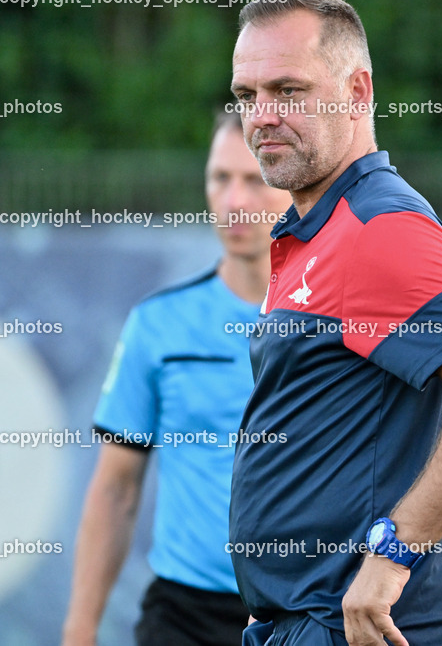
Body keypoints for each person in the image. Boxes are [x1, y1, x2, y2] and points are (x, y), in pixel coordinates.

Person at [227, 0, 442, 646]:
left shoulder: (377, 226)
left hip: (370, 626)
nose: (262, 116)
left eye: (288, 90)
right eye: (247, 94)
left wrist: (392, 554)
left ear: (357, 89)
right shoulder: (314, 229)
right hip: (312, 621)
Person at [62, 111, 292, 646]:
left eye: (254, 179)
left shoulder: (342, 325)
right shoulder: (158, 324)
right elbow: (116, 487)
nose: (234, 200)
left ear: (292, 184)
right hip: (183, 616)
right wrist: (79, 630)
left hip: (307, 609)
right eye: (220, 178)